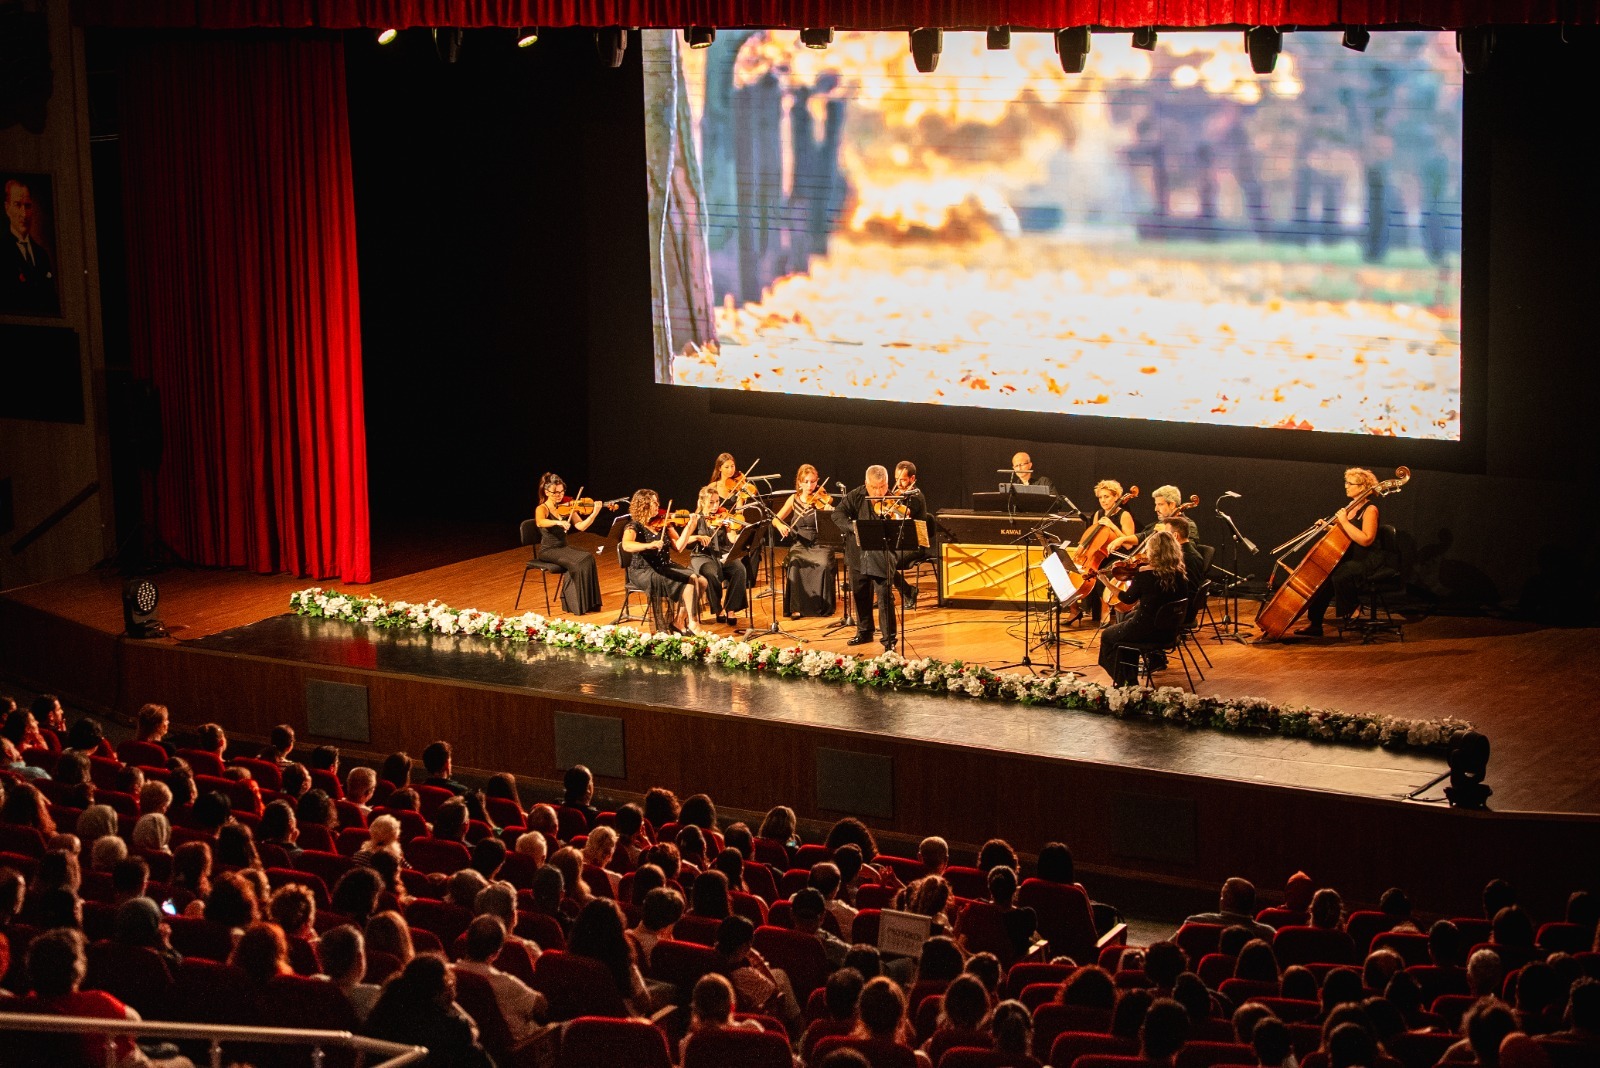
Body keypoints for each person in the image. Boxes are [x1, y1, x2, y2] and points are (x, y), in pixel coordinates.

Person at [363, 953, 495, 1068]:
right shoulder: (451, 1026)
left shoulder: (381, 1015)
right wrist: (450, 1001)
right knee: (474, 1052)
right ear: (441, 989)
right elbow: (473, 1029)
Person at [1297, 467, 1382, 637]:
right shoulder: (1351, 507)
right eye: (1346, 482)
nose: (1346, 486)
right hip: (1349, 555)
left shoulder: (1370, 510)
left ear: (1363, 487)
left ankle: (1354, 607)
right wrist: (1327, 527)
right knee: (1321, 579)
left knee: (1339, 575)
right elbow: (1346, 534)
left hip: (1365, 558)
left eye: (1350, 483)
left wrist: (1343, 521)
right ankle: (1315, 623)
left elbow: (1366, 539)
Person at [1098, 528, 1189, 686]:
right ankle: (1129, 677)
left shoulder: (1145, 575)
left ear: (1153, 552)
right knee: (1127, 620)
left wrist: (1106, 582)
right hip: (1169, 632)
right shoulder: (1180, 574)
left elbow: (1127, 599)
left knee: (1107, 636)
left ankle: (1126, 683)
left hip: (1146, 630)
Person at [833, 464, 904, 651]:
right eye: (875, 487)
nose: (880, 492)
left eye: (883, 486)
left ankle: (889, 641)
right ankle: (864, 632)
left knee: (884, 597)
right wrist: (853, 527)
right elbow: (837, 514)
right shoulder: (856, 495)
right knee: (860, 594)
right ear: (866, 484)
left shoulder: (894, 500)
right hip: (858, 555)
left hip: (881, 555)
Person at [621, 488, 709, 634]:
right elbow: (626, 545)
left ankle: (679, 621)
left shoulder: (664, 523)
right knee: (692, 579)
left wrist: (690, 527)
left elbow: (679, 547)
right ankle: (694, 624)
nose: (658, 506)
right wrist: (649, 545)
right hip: (645, 570)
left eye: (657, 502)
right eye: (654, 503)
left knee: (702, 582)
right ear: (643, 505)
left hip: (665, 565)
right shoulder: (634, 526)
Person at [454, 915, 549, 1041]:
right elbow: (541, 1007)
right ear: (497, 952)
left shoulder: (448, 973)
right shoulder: (504, 982)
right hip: (521, 1047)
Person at [533, 472, 605, 616]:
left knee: (588, 557)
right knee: (577, 563)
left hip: (562, 547)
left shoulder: (567, 507)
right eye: (555, 492)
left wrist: (594, 514)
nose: (559, 495)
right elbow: (540, 522)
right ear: (547, 492)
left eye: (561, 491)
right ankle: (574, 605)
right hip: (548, 550)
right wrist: (558, 521)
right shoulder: (542, 508)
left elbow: (581, 526)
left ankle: (590, 604)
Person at [774, 463, 838, 619]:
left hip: (820, 543)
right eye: (807, 482)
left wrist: (831, 513)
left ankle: (822, 606)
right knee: (795, 564)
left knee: (823, 564)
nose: (810, 485)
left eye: (813, 481)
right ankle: (796, 607)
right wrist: (781, 526)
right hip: (800, 544)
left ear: (817, 481)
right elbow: (775, 519)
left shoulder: (822, 500)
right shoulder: (793, 499)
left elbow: (833, 523)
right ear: (800, 483)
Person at [687, 485, 751, 625]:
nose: (716, 505)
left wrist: (734, 531)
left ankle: (731, 608)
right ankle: (718, 609)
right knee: (710, 572)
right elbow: (684, 539)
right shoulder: (697, 518)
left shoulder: (723, 516)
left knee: (739, 569)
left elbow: (733, 539)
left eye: (717, 501)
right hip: (702, 556)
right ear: (703, 502)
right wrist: (698, 537)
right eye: (711, 502)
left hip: (722, 554)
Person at [2, 177, 59, 317]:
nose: (24, 214)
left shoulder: (41, 255)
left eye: (27, 206)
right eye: (17, 204)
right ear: (7, 208)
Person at [1181, 878, 1278, 942]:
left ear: (1227, 899)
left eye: (1222, 895)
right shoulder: (1269, 934)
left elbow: (1168, 950)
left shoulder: (1194, 923)